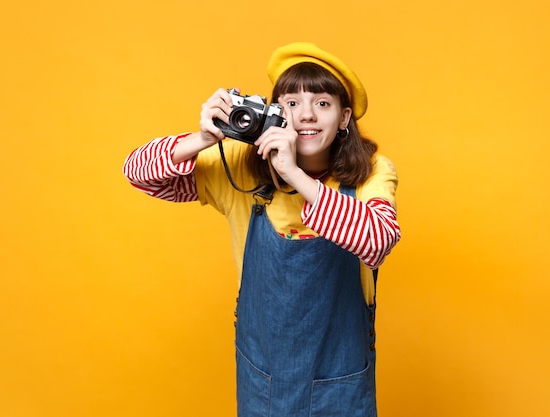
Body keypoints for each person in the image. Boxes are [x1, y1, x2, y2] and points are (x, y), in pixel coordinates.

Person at [123, 42, 401, 417]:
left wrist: (294, 174)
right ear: (275, 112)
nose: (306, 115)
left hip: (342, 384)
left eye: (322, 103)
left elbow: (377, 241)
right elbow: (141, 176)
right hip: (263, 382)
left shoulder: (372, 172)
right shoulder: (241, 167)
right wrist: (204, 137)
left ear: (344, 117)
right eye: (291, 103)